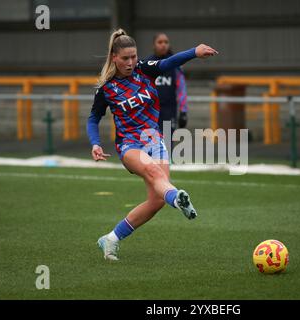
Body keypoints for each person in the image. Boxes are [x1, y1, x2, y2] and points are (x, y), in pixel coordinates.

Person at [86, 28, 218, 261]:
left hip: (154, 140)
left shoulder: (144, 70)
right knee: (153, 171)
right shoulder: (106, 88)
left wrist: (194, 52)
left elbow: (169, 62)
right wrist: (95, 143)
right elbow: (93, 118)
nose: (130, 62)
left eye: (133, 57)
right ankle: (178, 198)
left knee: (156, 200)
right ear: (114, 58)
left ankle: (111, 239)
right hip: (129, 145)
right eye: (125, 58)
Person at [147, 32, 189, 136]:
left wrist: (183, 111)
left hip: (169, 111)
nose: (163, 45)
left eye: (166, 42)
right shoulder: (147, 63)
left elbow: (181, 89)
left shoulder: (175, 64)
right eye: (160, 42)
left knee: (167, 144)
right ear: (154, 45)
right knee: (151, 145)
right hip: (151, 111)